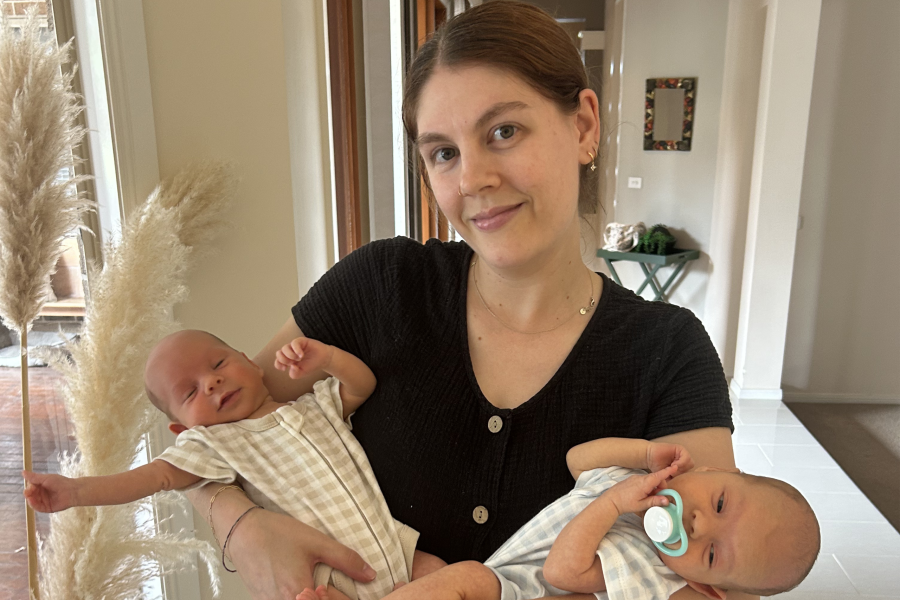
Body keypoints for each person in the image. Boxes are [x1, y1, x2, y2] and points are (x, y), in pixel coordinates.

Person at [189, 2, 749, 599]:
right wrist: (241, 527)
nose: (472, 179)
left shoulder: (667, 351)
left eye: (503, 132)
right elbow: (209, 435)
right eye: (443, 153)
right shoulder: (382, 286)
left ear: (584, 126)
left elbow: (734, 582)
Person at [22, 330, 443, 600]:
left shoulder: (314, 406)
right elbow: (156, 477)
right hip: (330, 578)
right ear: (181, 428)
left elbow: (362, 385)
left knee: (447, 575)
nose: (211, 382)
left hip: (396, 549)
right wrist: (76, 491)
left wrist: (327, 358)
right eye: (190, 393)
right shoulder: (214, 443)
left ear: (248, 360)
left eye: (218, 364)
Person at [295, 439, 819, 600]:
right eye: (721, 503)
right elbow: (577, 461)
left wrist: (614, 505)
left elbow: (562, 574)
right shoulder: (638, 482)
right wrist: (642, 456)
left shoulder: (650, 575)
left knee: (466, 578)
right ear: (714, 471)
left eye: (709, 554)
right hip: (501, 578)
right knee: (440, 574)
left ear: (708, 588)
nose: (700, 523)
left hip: (516, 590)